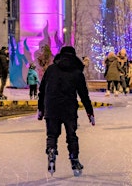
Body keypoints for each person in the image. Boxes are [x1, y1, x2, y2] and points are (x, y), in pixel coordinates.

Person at [37, 46, 95, 176]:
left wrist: (41, 109)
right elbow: (84, 95)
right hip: (69, 108)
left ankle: (51, 151)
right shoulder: (77, 72)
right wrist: (90, 113)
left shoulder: (51, 69)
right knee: (71, 136)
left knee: (52, 135)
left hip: (52, 107)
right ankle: (74, 160)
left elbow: (42, 91)